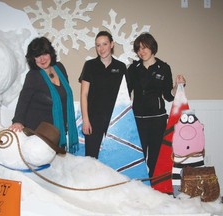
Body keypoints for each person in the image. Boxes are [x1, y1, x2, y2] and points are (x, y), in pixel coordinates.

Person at [126, 32, 186, 178]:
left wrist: (178, 86)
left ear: (152, 47)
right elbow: (125, 93)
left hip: (157, 120)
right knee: (138, 158)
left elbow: (168, 96)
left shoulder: (164, 68)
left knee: (156, 158)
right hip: (138, 119)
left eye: (144, 47)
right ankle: (138, 189)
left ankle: (155, 190)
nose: (141, 51)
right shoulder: (133, 69)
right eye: (138, 49)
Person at [9, 36, 78, 153]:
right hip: (38, 131)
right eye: (37, 56)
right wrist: (18, 121)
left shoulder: (60, 68)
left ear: (50, 53)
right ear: (33, 59)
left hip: (57, 130)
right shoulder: (33, 76)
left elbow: (64, 97)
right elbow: (23, 100)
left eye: (44, 54)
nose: (42, 59)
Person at [79, 31, 127, 158]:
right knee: (91, 158)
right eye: (98, 45)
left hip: (115, 120)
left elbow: (126, 96)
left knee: (115, 157)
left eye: (104, 44)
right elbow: (84, 94)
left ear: (112, 44)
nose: (101, 48)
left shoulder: (121, 67)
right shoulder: (90, 65)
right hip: (94, 119)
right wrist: (86, 120)